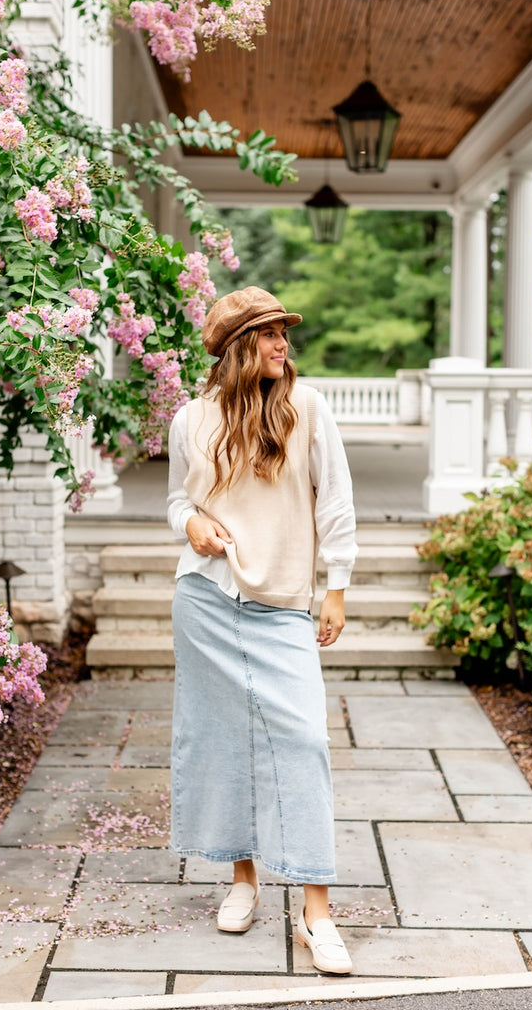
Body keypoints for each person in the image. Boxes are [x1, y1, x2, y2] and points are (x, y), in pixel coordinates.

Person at [166, 286, 357, 974]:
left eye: (283, 333)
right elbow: (177, 500)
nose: (283, 344)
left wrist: (335, 585)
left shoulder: (305, 408)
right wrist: (191, 522)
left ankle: (316, 911)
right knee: (223, 743)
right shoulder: (191, 419)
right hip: (206, 601)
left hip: (281, 604)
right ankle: (242, 880)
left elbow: (333, 500)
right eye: (270, 334)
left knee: (303, 744)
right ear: (241, 347)